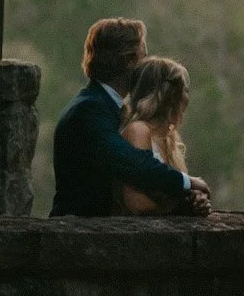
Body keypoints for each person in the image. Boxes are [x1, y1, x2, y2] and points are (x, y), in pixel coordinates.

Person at [50, 17, 210, 217]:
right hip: (76, 232)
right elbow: (134, 164)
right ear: (128, 61)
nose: (147, 63)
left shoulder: (107, 106)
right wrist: (187, 182)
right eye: (144, 55)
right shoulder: (89, 110)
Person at [117, 56, 193, 214]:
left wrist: (194, 199)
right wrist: (181, 204)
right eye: (185, 90)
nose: (187, 97)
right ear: (169, 95)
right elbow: (137, 203)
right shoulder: (138, 130)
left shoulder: (168, 139)